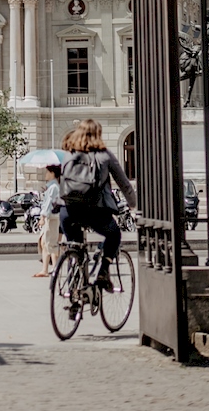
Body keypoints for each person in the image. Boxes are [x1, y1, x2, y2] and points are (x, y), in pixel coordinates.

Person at [58, 119, 136, 291]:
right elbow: (123, 183)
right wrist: (134, 205)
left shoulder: (69, 154)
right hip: (94, 210)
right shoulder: (104, 154)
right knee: (114, 235)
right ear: (98, 134)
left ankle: (73, 291)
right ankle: (102, 272)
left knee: (74, 246)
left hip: (68, 210)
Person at [33, 161, 62, 278]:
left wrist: (43, 217)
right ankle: (48, 268)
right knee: (45, 243)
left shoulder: (54, 187)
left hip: (52, 218)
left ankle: (51, 268)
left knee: (50, 243)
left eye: (47, 172)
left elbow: (49, 203)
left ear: (52, 173)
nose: (45, 174)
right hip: (51, 217)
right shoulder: (52, 186)